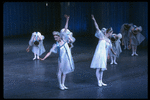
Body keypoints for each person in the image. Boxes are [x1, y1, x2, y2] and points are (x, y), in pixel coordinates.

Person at [90, 15, 116, 87]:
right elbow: (97, 28)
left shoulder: (108, 40)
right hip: (99, 54)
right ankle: (98, 81)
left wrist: (109, 54)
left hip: (104, 54)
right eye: (111, 33)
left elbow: (109, 48)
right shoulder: (101, 36)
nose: (111, 34)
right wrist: (94, 19)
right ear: (108, 32)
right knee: (98, 68)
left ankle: (101, 81)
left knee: (102, 68)